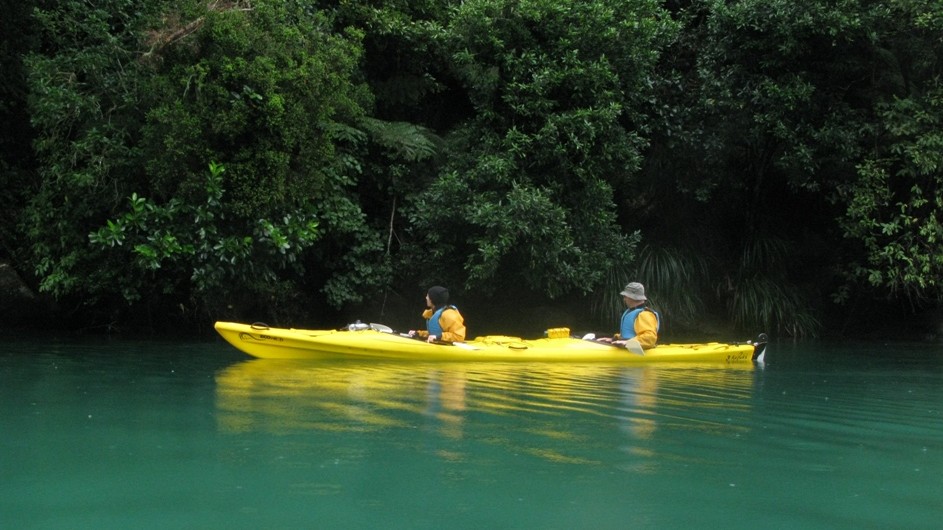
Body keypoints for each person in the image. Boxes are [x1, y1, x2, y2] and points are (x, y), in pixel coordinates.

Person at [597, 282, 659, 349]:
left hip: (639, 352)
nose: (624, 299)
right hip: (629, 348)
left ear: (631, 297)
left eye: (625, 296)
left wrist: (628, 342)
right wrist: (614, 339)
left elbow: (650, 337)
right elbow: (629, 334)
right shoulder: (632, 312)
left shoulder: (645, 314)